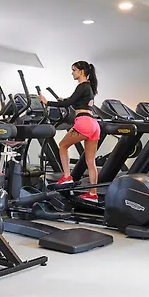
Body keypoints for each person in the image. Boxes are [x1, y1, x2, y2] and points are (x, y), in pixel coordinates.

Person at [38, 60, 100, 202]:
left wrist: (47, 102)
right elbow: (75, 101)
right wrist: (65, 100)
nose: (72, 73)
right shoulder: (89, 87)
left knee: (62, 145)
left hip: (83, 122)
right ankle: (93, 194)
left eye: (74, 70)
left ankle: (67, 176)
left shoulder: (82, 85)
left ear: (81, 71)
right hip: (93, 124)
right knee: (90, 161)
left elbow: (68, 103)